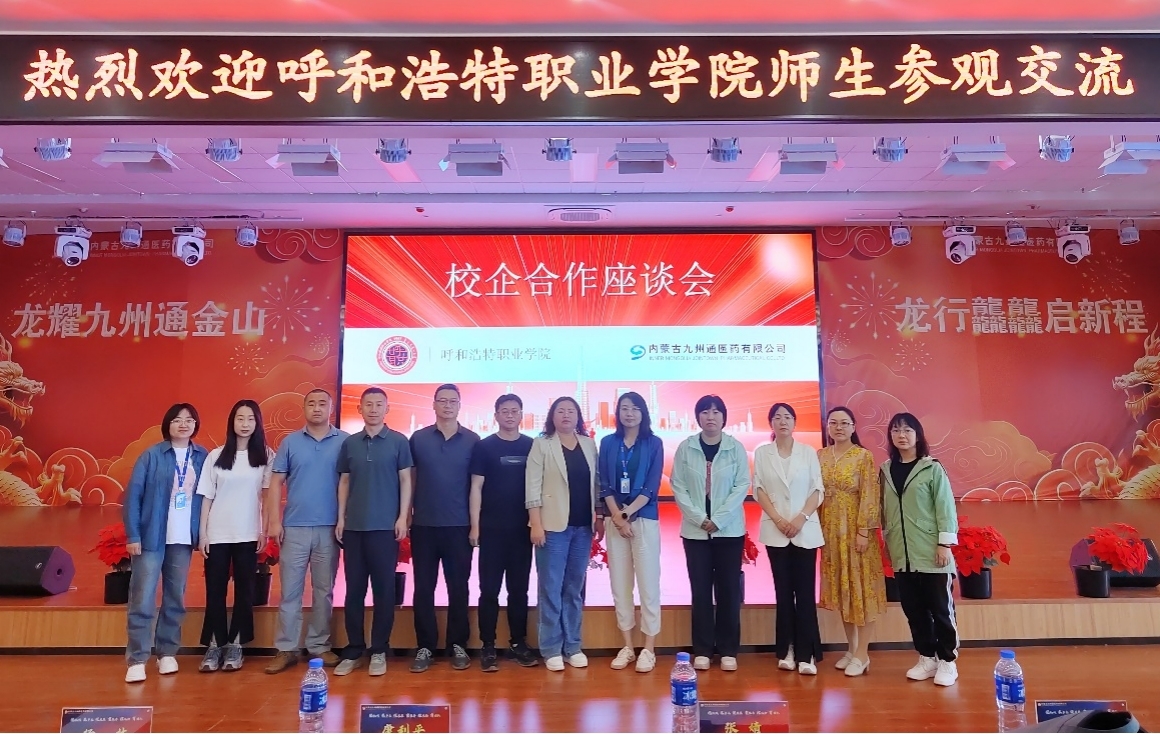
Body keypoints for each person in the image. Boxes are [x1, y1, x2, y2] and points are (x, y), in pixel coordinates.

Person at [123, 403, 210, 683]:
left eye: (189, 420)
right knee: (142, 598)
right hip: (151, 536)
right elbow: (133, 497)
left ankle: (167, 652)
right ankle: (137, 658)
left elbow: (210, 496)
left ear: (196, 425)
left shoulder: (203, 456)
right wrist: (133, 535)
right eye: (177, 420)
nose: (183, 424)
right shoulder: (151, 455)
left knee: (175, 597)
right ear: (167, 425)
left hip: (182, 539)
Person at [265, 388, 349, 674]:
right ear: (304, 409)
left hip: (329, 528)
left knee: (324, 590)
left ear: (331, 409)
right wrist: (274, 522)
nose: (316, 408)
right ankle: (286, 648)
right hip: (294, 527)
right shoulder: (290, 442)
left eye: (322, 404)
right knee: (290, 591)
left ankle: (319, 645)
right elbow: (276, 483)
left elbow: (348, 483)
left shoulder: (344, 441)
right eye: (311, 403)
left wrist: (343, 519)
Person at [334, 387, 414, 677]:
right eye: (368, 404)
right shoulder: (350, 443)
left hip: (384, 529)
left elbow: (406, 481)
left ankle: (379, 649)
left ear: (387, 409)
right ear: (360, 409)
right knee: (354, 591)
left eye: (379, 404)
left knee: (384, 591)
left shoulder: (398, 441)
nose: (373, 409)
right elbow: (344, 482)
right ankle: (355, 649)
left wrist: (403, 517)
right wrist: (341, 518)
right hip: (354, 528)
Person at [670, 395, 751, 672]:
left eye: (716, 412)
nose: (711, 417)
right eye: (705, 412)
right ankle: (703, 649)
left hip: (729, 532)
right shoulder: (686, 447)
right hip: (695, 533)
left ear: (724, 417)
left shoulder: (735, 447)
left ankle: (728, 649)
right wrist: (699, 519)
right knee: (701, 591)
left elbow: (741, 486)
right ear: (698, 417)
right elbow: (678, 486)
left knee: (728, 591)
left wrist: (718, 519)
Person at [880, 412, 960, 687]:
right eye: (896, 430)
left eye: (907, 430)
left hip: (931, 551)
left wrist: (944, 543)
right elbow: (885, 510)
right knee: (914, 610)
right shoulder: (885, 470)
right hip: (902, 554)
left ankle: (947, 660)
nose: (901, 435)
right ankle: (927, 657)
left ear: (918, 435)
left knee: (940, 610)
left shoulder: (932, 468)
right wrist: (887, 541)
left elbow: (945, 507)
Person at [196, 399, 272, 673]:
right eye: (240, 418)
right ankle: (215, 644)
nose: (245, 424)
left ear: (257, 423)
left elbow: (267, 497)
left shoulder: (266, 456)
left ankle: (236, 644)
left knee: (245, 590)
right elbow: (207, 497)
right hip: (217, 533)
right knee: (215, 590)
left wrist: (264, 529)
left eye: (251, 419)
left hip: (248, 532)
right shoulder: (216, 456)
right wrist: (202, 533)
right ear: (232, 422)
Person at [526, 396, 601, 672]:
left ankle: (573, 646)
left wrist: (599, 516)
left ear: (578, 416)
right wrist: (535, 523)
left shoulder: (588, 444)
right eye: (561, 411)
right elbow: (532, 486)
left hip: (583, 527)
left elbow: (596, 485)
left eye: (571, 411)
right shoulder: (542, 444)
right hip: (552, 527)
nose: (566, 415)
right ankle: (551, 648)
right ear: (552, 416)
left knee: (574, 588)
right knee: (551, 588)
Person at [408, 384, 480, 673]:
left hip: (459, 526)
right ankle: (425, 646)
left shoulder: (473, 440)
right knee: (423, 588)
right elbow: (410, 479)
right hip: (424, 525)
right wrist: (407, 513)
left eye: (453, 401)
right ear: (434, 405)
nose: (447, 405)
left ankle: (457, 644)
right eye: (442, 401)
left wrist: (475, 525)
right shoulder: (419, 439)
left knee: (458, 588)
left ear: (460, 406)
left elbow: (477, 486)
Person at [753, 403, 824, 676]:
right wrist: (779, 520)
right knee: (783, 593)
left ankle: (807, 655)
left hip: (805, 530)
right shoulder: (763, 453)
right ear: (771, 423)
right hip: (776, 531)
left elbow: (818, 490)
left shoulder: (808, 452)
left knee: (805, 593)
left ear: (794, 422)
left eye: (787, 417)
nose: (782, 421)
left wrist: (800, 519)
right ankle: (787, 650)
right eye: (777, 417)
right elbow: (758, 489)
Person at [469, 394, 539, 672]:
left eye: (515, 411)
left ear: (521, 415)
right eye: (504, 411)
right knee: (489, 590)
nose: (510, 415)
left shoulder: (532, 446)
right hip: (491, 531)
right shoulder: (484, 447)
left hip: (522, 532)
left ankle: (518, 643)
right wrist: (475, 525)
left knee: (519, 590)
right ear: (496, 415)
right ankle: (487, 645)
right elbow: (476, 487)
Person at [598, 391, 664, 673]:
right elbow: (604, 484)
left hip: (644, 520)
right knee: (620, 585)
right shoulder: (608, 443)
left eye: (635, 408)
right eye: (624, 408)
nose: (629, 413)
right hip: (615, 521)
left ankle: (648, 648)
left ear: (643, 413)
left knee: (649, 586)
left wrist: (625, 514)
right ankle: (627, 646)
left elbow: (651, 486)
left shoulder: (654, 443)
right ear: (618, 413)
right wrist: (617, 516)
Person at [818, 406, 886, 678]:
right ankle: (852, 648)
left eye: (844, 423)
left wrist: (864, 531)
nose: (839, 427)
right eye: (833, 423)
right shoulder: (821, 456)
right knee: (843, 590)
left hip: (857, 532)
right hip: (831, 532)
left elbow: (870, 494)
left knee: (861, 590)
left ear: (853, 427)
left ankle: (863, 654)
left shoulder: (863, 456)